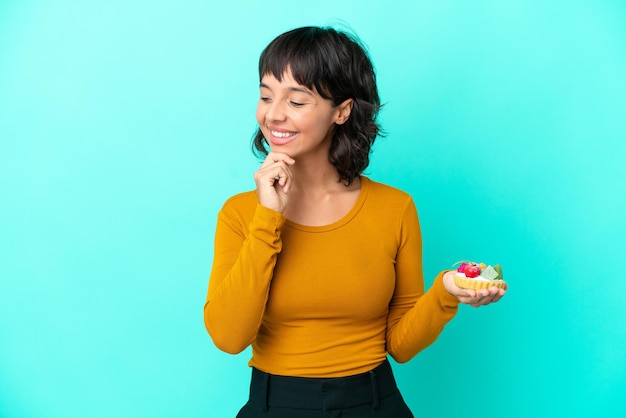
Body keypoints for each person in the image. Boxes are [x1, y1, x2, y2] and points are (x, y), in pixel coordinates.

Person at [204, 26, 506, 418]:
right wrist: (269, 217)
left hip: (374, 402)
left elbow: (400, 344)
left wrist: (446, 291)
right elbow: (229, 337)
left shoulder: (394, 208)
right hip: (275, 405)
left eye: (296, 100)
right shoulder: (241, 213)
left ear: (342, 111)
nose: (273, 113)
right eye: (265, 95)